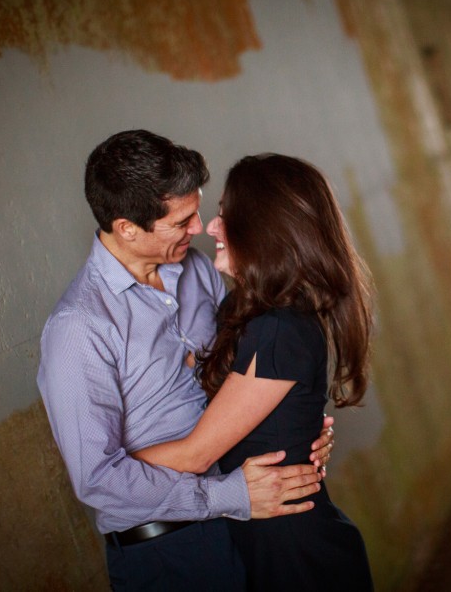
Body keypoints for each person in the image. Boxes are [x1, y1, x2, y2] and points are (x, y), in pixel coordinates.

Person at [37, 131, 336, 590]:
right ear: (127, 228)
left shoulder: (198, 271)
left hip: (249, 524)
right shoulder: (79, 328)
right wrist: (227, 495)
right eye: (181, 222)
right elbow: (97, 479)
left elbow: (249, 379)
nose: (198, 228)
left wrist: (299, 430)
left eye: (197, 212)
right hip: (170, 553)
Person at [133, 153, 375, 591]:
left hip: (296, 557)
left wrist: (106, 466)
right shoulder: (245, 309)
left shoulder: (279, 327)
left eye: (226, 217)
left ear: (265, 230)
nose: (210, 228)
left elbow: (195, 456)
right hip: (260, 546)